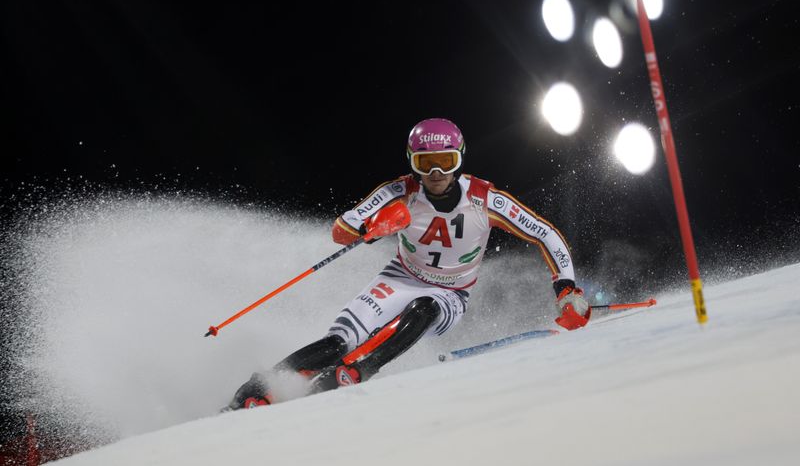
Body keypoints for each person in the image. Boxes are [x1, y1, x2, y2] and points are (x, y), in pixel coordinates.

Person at [224, 117, 590, 410]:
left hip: (450, 292)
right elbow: (341, 230)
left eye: (445, 162)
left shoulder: (485, 199)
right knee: (339, 340)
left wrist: (566, 289)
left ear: (459, 159)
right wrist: (369, 226)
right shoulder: (399, 192)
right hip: (400, 276)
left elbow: (545, 234)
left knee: (425, 307)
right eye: (425, 164)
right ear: (413, 163)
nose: (435, 174)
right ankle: (259, 388)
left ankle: (361, 368)